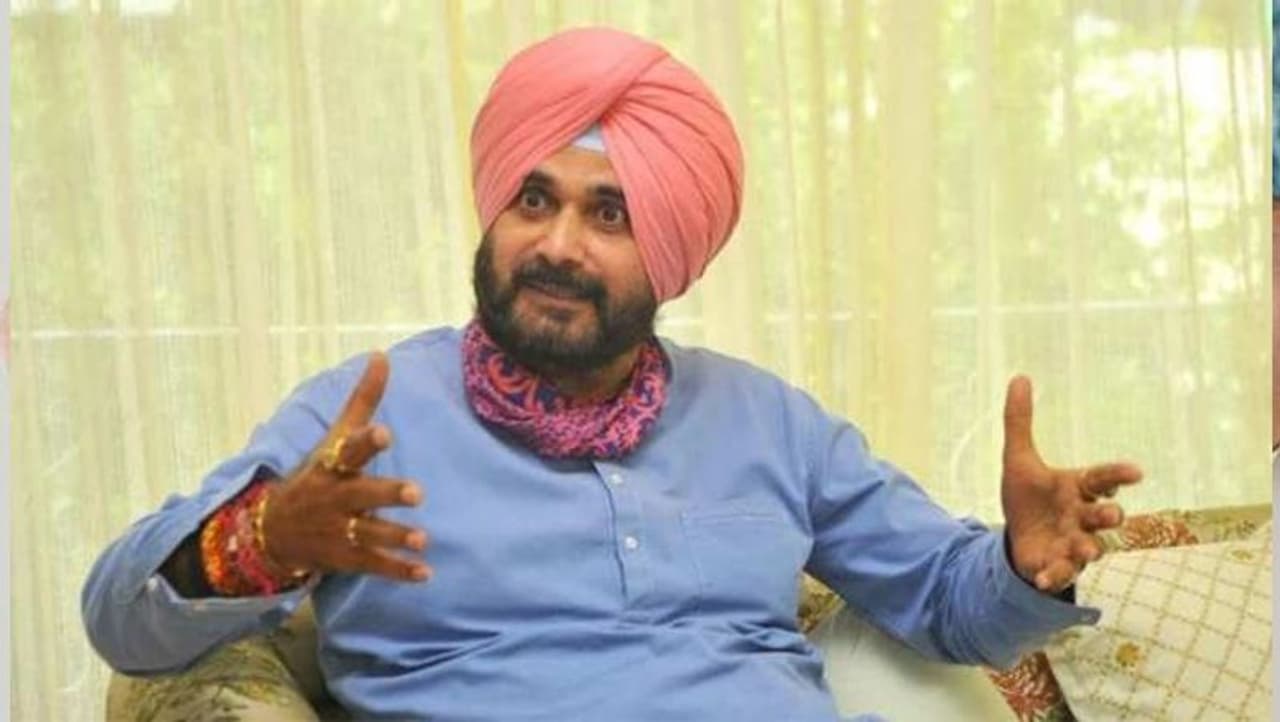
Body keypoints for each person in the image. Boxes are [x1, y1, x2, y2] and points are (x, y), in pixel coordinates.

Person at [82, 27, 1142, 721]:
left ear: (671, 252)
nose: (558, 244)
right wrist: (263, 539)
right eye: (533, 200)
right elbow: (120, 619)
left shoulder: (766, 420)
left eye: (610, 214)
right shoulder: (369, 413)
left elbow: (949, 604)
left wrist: (1026, 564)